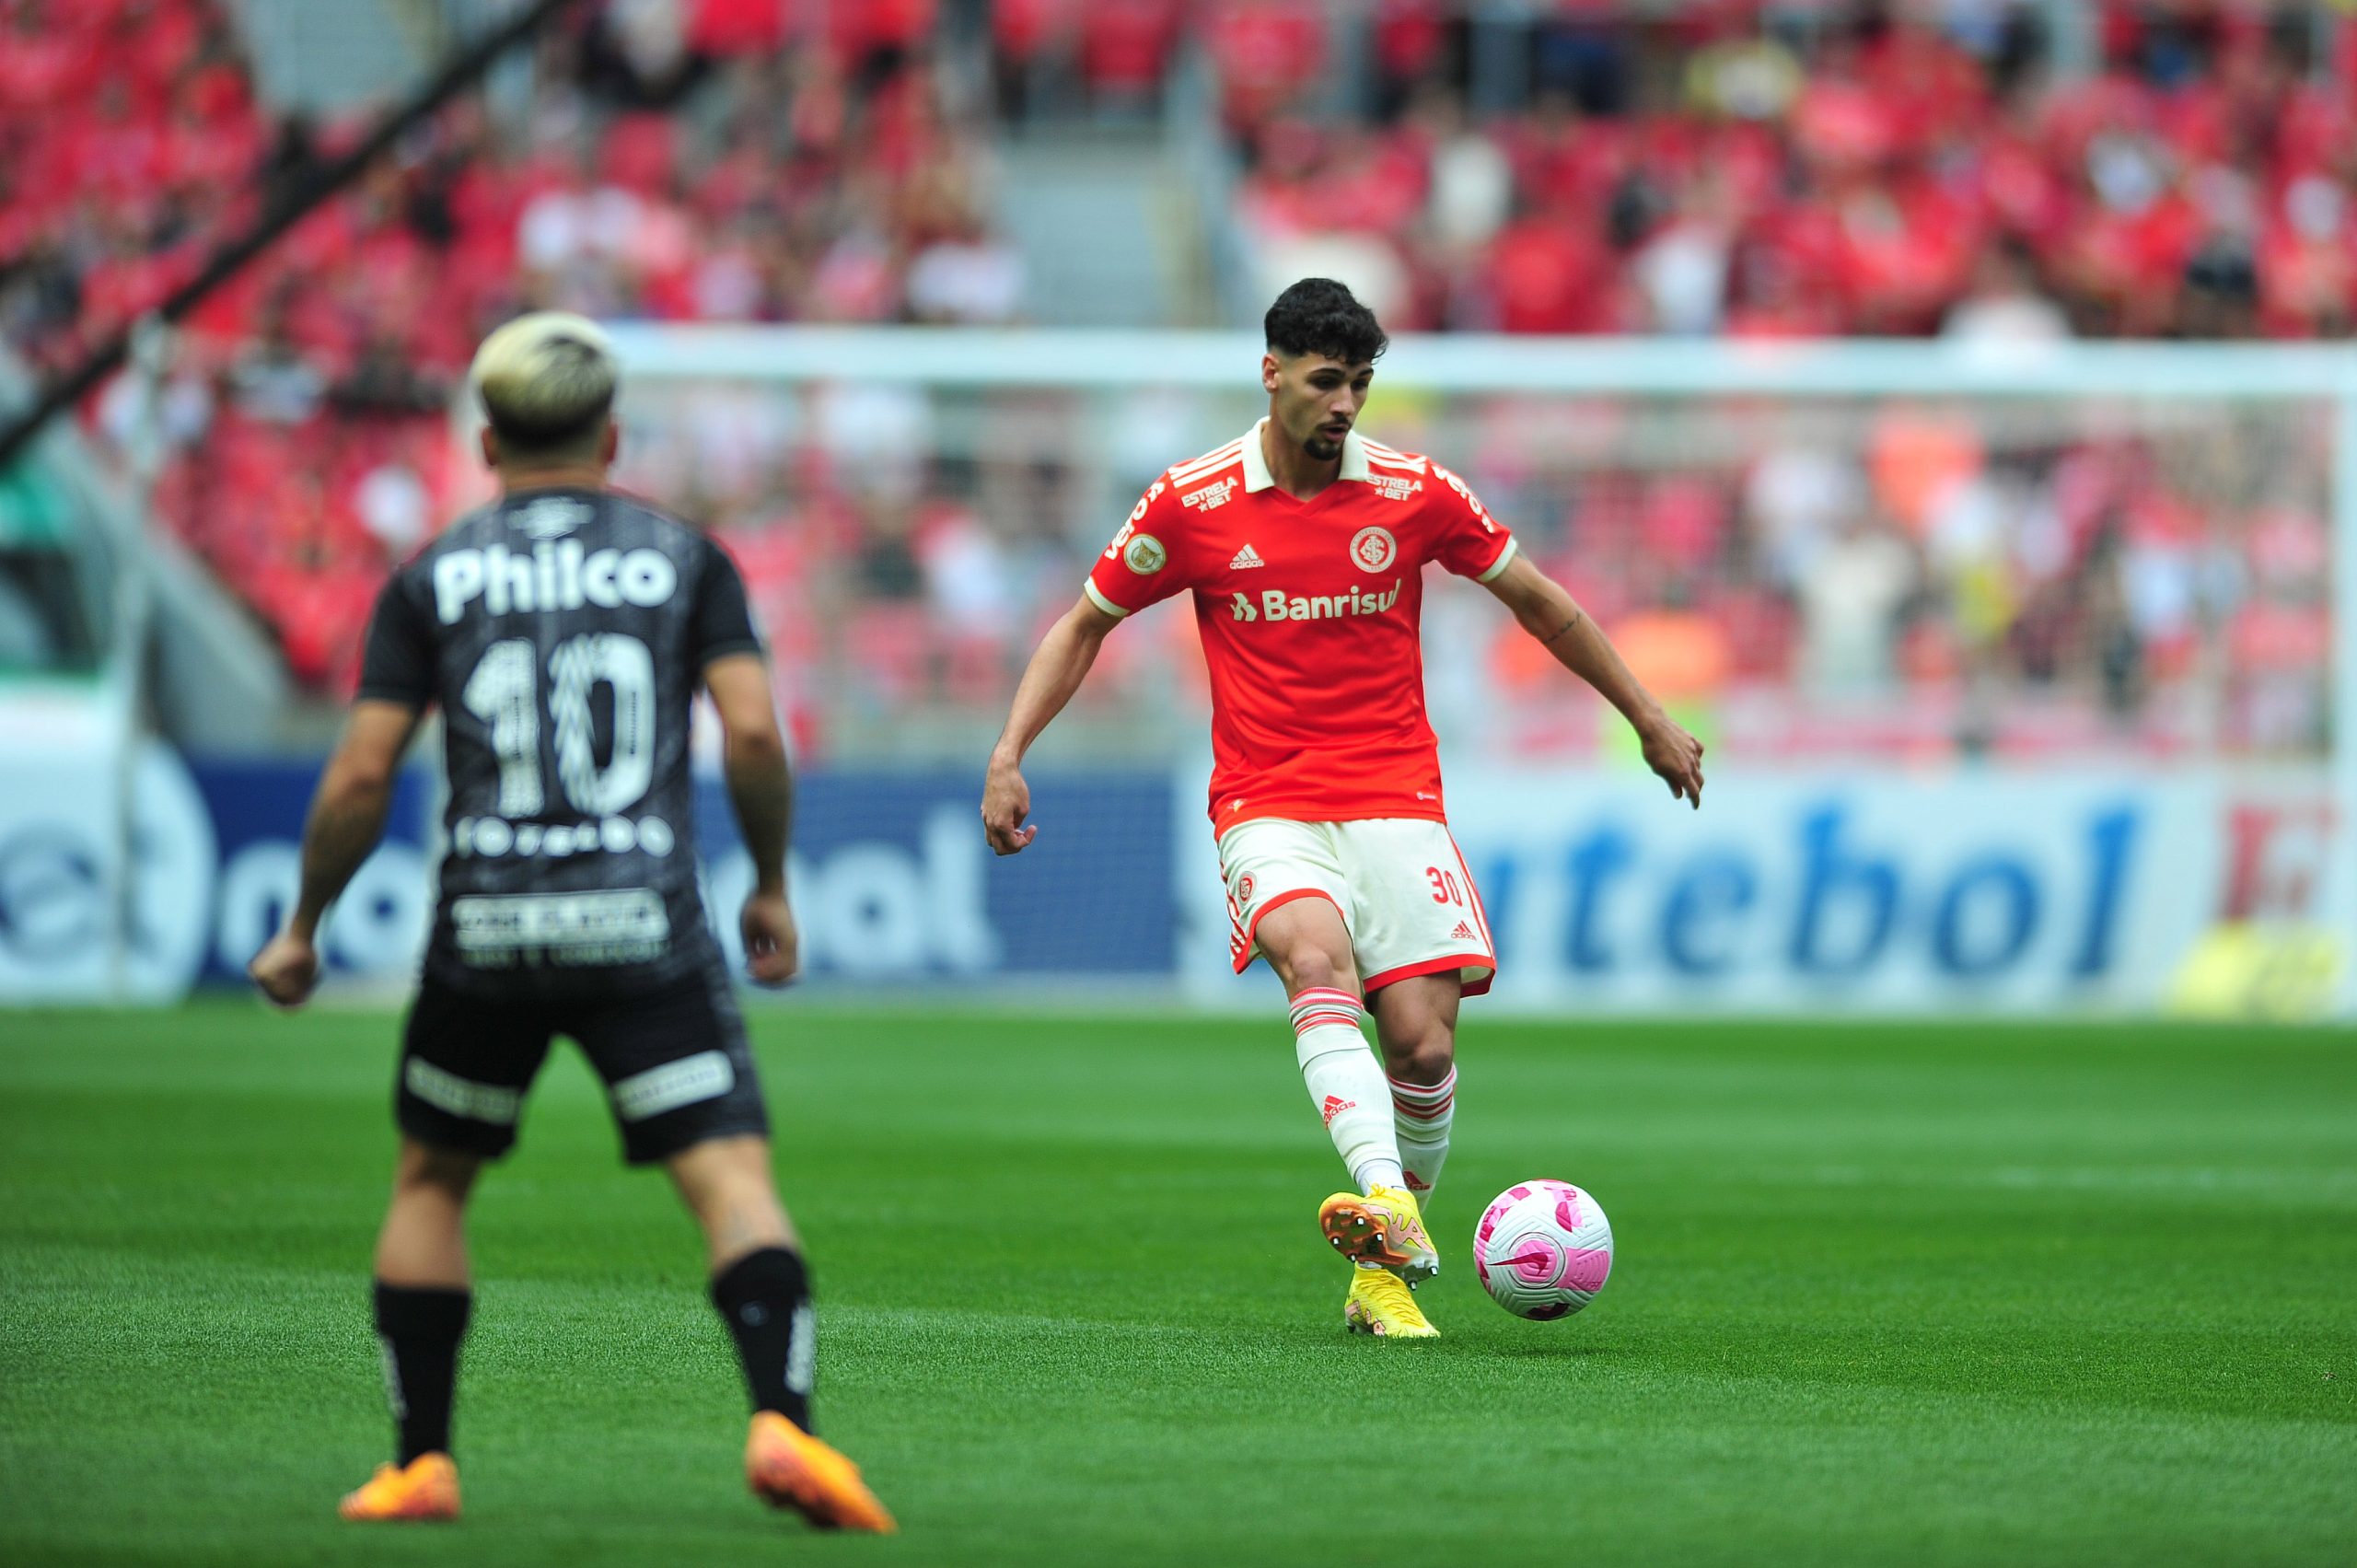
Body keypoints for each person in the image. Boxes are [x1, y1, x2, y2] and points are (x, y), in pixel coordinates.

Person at [248, 312, 893, 1530]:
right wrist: (768, 883)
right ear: (613, 434)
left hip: (486, 924)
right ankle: (784, 1422)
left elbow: (360, 773)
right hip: (641, 920)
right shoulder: (682, 556)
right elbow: (754, 733)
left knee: (432, 1179)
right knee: (728, 1178)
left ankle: (419, 1460)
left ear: (485, 440)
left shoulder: (430, 573)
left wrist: (303, 924)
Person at [981, 279, 1703, 1338]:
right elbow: (1084, 623)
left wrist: (1644, 712)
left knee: (1420, 1047)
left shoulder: (1415, 492)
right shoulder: (1191, 500)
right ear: (1270, 373)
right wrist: (1008, 750)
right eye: (1326, 381)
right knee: (1314, 960)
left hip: (1396, 793)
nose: (1345, 404)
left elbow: (1540, 602)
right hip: (1265, 799)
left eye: (1360, 384)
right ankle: (1390, 1213)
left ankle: (1381, 1267)